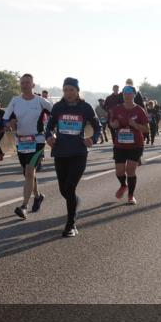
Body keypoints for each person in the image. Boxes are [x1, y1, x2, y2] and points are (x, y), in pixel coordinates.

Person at [44, 77, 102, 237]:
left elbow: (98, 127)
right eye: (66, 90)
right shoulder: (58, 107)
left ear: (77, 91)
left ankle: (70, 225)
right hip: (60, 152)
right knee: (64, 190)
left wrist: (92, 139)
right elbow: (48, 127)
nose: (68, 93)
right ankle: (75, 201)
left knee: (69, 188)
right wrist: (48, 137)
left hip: (78, 153)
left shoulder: (85, 107)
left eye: (71, 90)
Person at [3, 73, 52, 219]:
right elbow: (5, 119)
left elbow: (56, 113)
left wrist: (52, 130)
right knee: (28, 173)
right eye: (22, 83)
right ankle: (37, 196)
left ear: (33, 85)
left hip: (38, 141)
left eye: (27, 83)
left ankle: (24, 206)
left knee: (30, 171)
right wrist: (9, 125)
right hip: (21, 142)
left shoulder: (41, 101)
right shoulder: (15, 101)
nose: (25, 85)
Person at [108, 85, 148, 205]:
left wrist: (135, 125)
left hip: (135, 145)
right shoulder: (117, 109)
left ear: (134, 95)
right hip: (120, 145)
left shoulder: (139, 110)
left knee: (130, 171)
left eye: (130, 93)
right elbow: (112, 123)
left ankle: (131, 196)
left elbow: (146, 129)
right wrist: (113, 124)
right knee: (119, 172)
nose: (127, 95)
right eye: (125, 93)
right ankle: (123, 185)